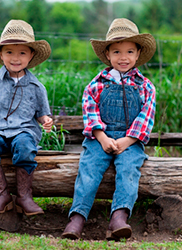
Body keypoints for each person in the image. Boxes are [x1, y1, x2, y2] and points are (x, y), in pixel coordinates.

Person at [61, 18, 156, 241]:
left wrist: (128, 140)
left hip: (130, 140)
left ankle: (119, 217)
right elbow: (90, 111)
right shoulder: (96, 84)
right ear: (107, 55)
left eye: (130, 51)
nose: (123, 57)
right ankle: (77, 218)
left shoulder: (145, 86)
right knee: (89, 169)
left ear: (138, 54)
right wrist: (101, 137)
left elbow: (146, 117)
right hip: (99, 139)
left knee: (129, 169)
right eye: (117, 52)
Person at [0, 20, 53, 217]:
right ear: (1, 55)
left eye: (22, 52)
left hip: (23, 132)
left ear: (31, 56)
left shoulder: (37, 87)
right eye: (9, 52)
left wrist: (46, 120)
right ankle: (1, 193)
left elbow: (41, 114)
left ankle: (24, 196)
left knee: (24, 146)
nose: (16, 58)